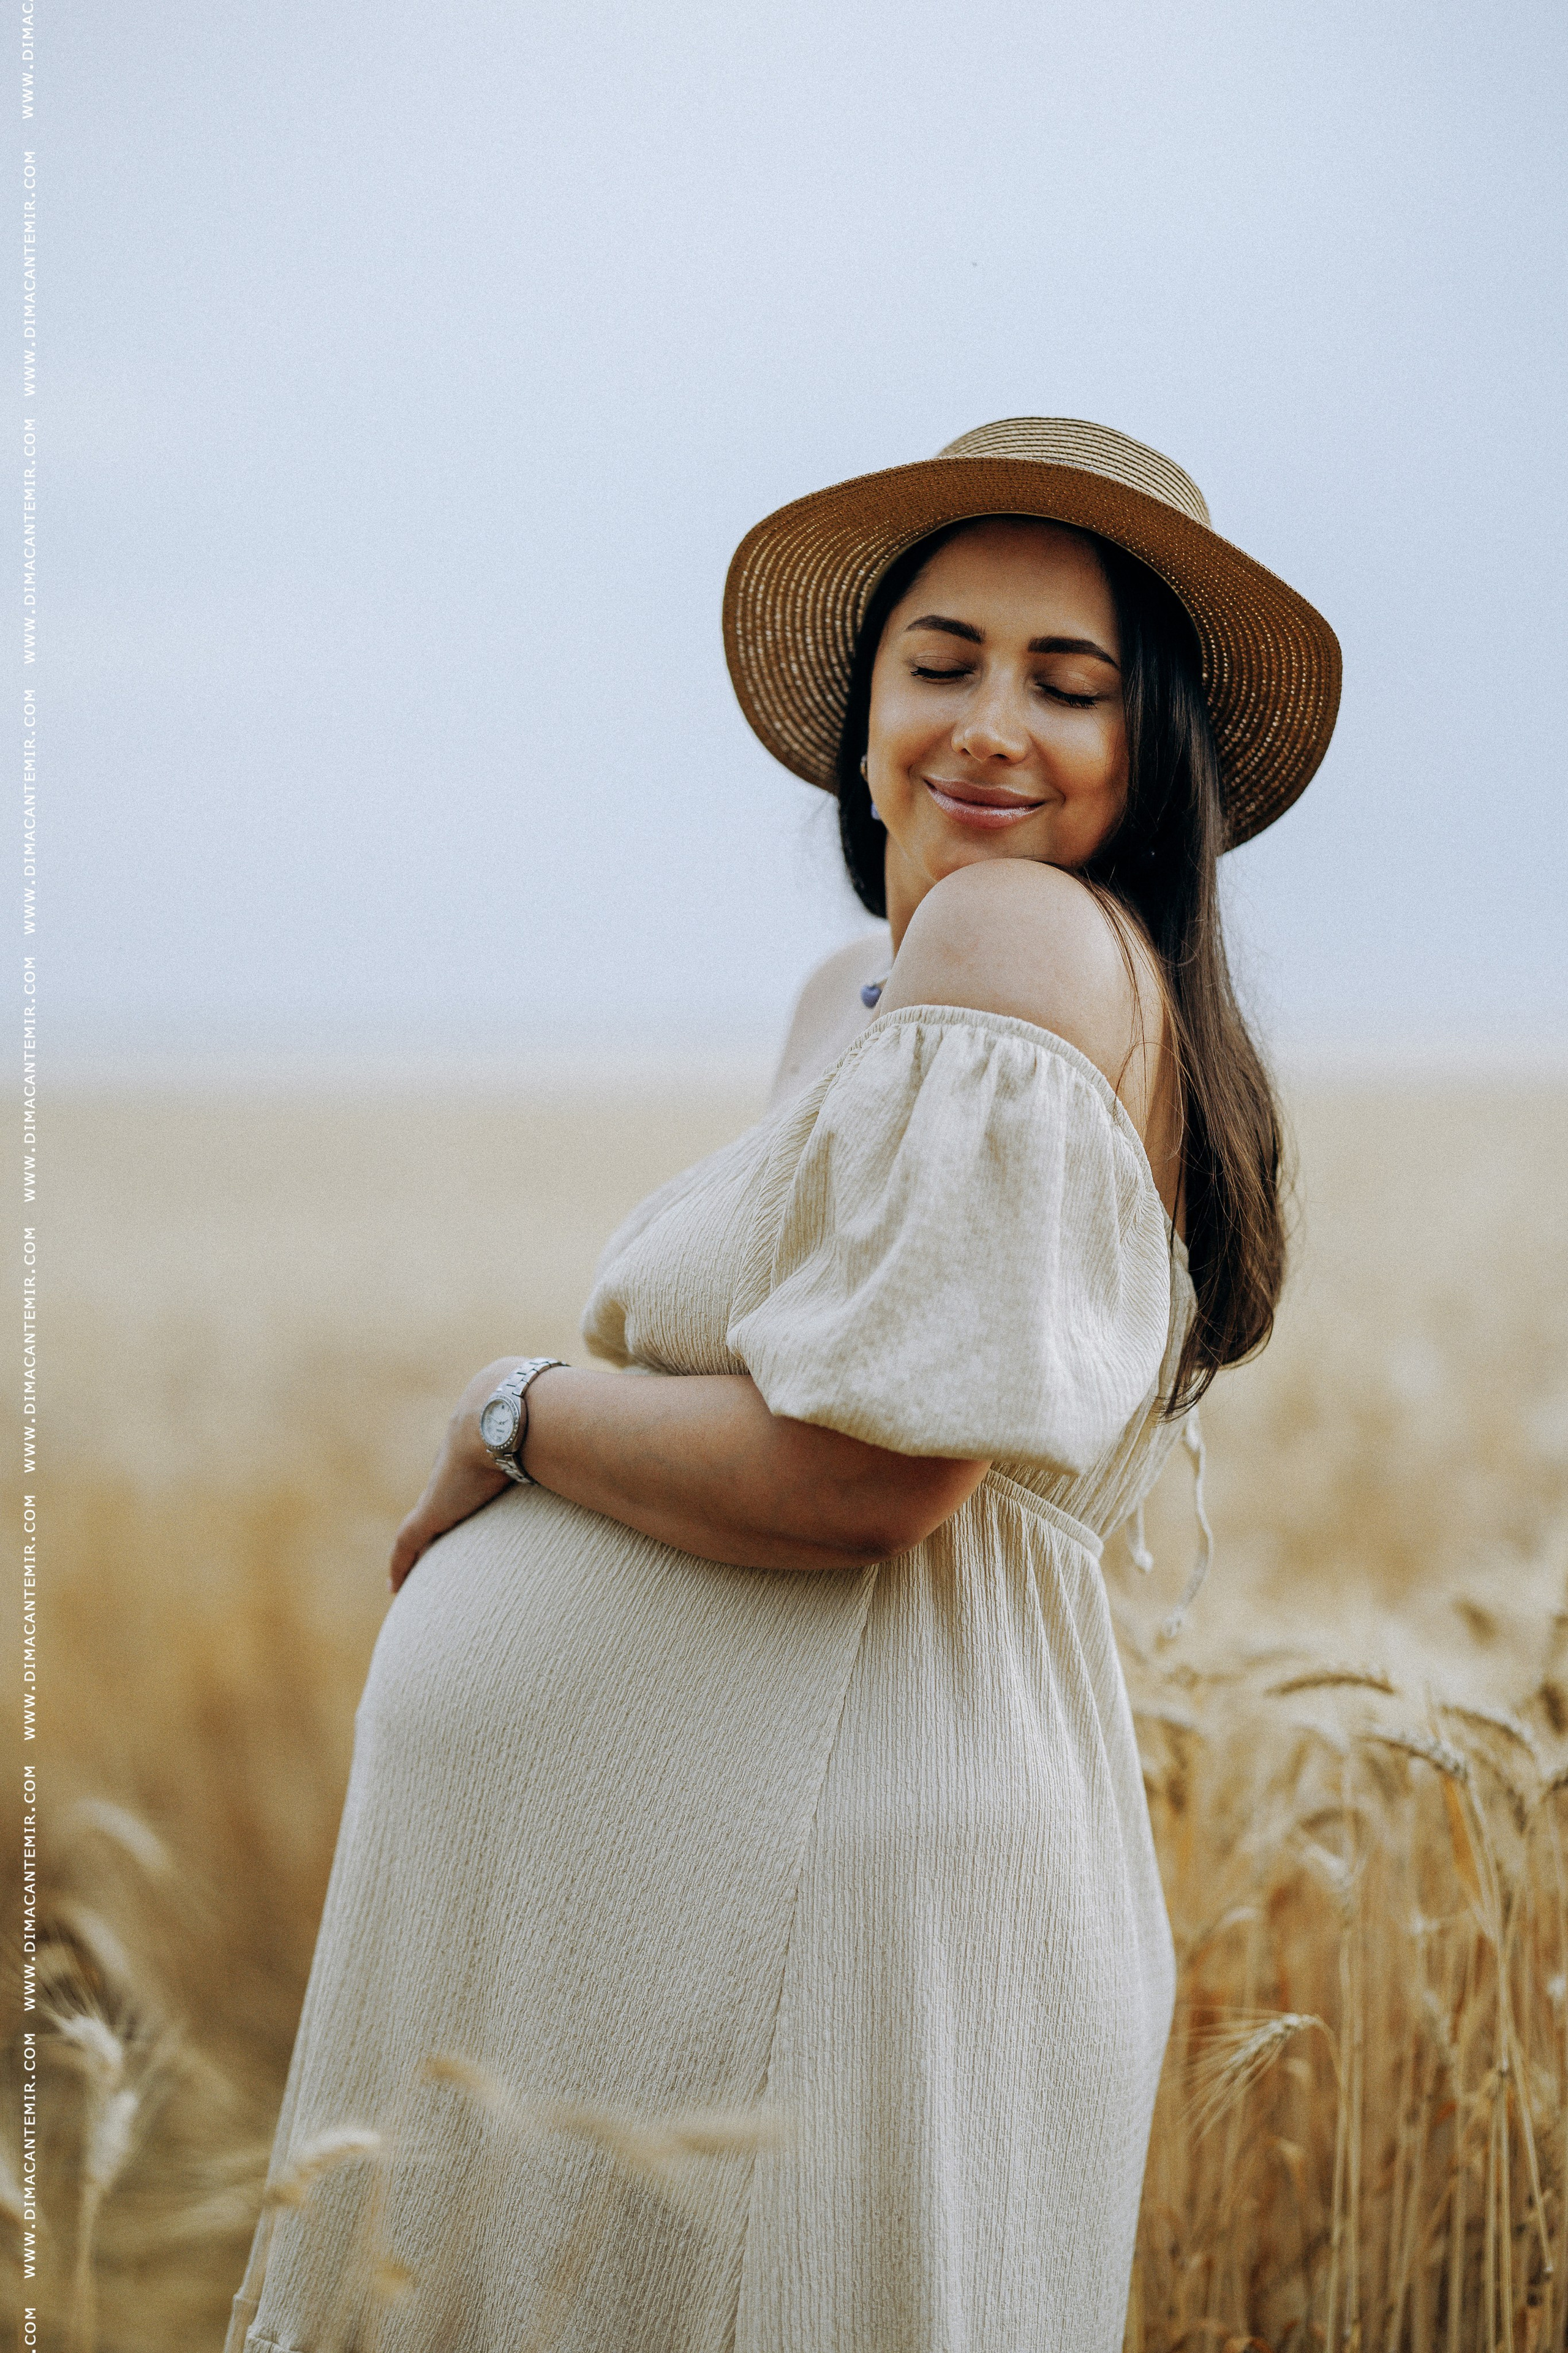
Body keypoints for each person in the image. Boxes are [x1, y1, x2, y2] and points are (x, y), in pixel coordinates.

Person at [228, 418, 1339, 2353]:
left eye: (1068, 685)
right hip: (769, 1898)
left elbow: (860, 1475)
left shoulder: (1017, 938)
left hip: (841, 1899)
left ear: (1147, 751)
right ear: (860, 714)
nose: (992, 724)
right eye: (942, 663)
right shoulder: (872, 990)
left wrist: (514, 1411)